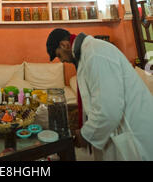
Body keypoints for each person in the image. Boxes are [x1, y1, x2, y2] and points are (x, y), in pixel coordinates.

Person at [46, 28, 153, 161]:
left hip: (133, 132)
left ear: (64, 45)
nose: (61, 61)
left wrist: (85, 135)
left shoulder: (95, 53)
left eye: (59, 55)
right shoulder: (86, 53)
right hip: (119, 131)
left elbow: (108, 110)